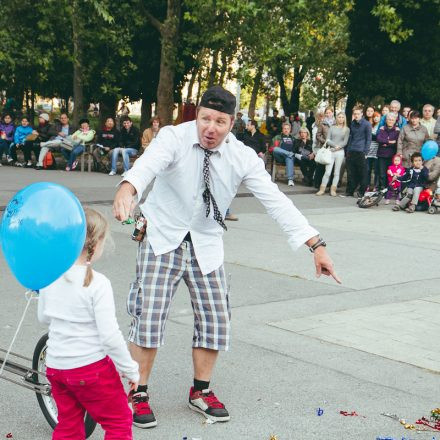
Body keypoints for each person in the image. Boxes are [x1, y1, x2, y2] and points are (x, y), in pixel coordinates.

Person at [112, 85, 340, 429]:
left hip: (206, 243)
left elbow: (276, 201)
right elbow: (146, 166)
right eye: (206, 119)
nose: (211, 128)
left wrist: (316, 244)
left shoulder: (242, 156)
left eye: (220, 122)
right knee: (148, 318)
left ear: (232, 122)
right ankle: (136, 392)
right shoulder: (173, 137)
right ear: (197, 115)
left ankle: (200, 392)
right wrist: (127, 189)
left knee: (216, 320)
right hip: (163, 237)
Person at [38, 208, 139, 439]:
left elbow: (43, 318)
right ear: (96, 244)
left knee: (69, 424)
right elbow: (110, 336)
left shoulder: (50, 277)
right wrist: (130, 369)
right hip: (90, 368)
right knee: (118, 422)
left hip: (56, 367)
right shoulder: (98, 283)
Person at [318, 111, 349, 196]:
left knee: (336, 172)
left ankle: (333, 189)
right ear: (336, 118)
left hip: (340, 153)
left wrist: (338, 147)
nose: (341, 119)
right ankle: (322, 189)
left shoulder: (347, 129)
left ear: (344, 119)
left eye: (343, 117)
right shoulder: (332, 127)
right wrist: (335, 146)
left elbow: (345, 142)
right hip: (331, 151)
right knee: (327, 172)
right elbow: (328, 140)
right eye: (339, 117)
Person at [345, 106, 372, 197]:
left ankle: (361, 191)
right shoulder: (352, 123)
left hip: (361, 151)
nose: (356, 115)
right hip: (352, 150)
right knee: (351, 172)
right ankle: (350, 191)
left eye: (358, 114)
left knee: (362, 173)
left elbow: (369, 139)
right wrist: (348, 150)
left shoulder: (367, 124)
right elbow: (351, 137)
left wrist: (366, 152)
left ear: (362, 114)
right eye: (355, 114)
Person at [376, 112, 400, 191]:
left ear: (395, 121)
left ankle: (389, 190)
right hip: (381, 155)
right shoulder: (381, 128)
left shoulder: (397, 130)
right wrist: (389, 142)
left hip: (392, 155)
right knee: (382, 174)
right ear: (386, 120)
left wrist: (385, 143)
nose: (390, 121)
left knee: (390, 174)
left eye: (392, 120)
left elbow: (396, 142)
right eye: (389, 119)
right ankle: (382, 189)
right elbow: (379, 139)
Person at [314, 107, 335, 189]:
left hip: (333, 147)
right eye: (327, 113)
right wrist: (324, 141)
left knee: (331, 165)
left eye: (330, 112)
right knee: (321, 165)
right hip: (324, 146)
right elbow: (317, 136)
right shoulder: (322, 124)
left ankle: (330, 183)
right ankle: (317, 182)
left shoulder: (336, 123)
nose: (328, 114)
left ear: (332, 113)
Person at [365, 111, 381, 191]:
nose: (375, 118)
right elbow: (367, 137)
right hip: (369, 151)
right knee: (367, 170)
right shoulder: (370, 126)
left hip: (377, 152)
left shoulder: (381, 127)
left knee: (376, 171)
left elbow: (379, 138)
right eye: (374, 116)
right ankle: (367, 185)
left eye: (377, 116)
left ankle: (376, 186)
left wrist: (371, 136)